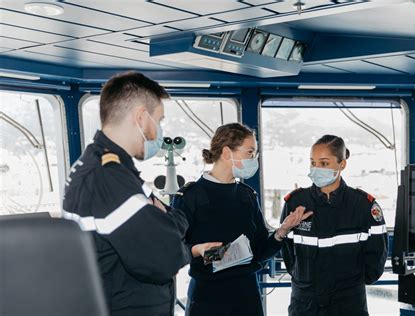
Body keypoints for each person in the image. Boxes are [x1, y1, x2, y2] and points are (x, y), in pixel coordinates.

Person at [62, 71, 190, 316]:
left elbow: (174, 220)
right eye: (159, 120)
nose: (159, 130)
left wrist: (167, 224)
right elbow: (167, 258)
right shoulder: (107, 178)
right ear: (142, 117)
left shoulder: (113, 167)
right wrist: (173, 236)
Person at [171, 123, 312, 316]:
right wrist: (198, 250)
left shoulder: (247, 196)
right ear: (227, 152)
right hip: (208, 297)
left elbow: (259, 250)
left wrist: (282, 231)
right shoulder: (190, 197)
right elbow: (171, 249)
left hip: (246, 296)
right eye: (250, 152)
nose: (253, 159)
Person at [281, 135, 388, 316]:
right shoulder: (296, 202)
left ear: (342, 164)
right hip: (305, 302)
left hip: (348, 303)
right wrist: (302, 278)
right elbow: (287, 250)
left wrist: (354, 283)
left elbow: (377, 254)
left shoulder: (363, 205)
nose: (316, 169)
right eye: (313, 163)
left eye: (324, 164)